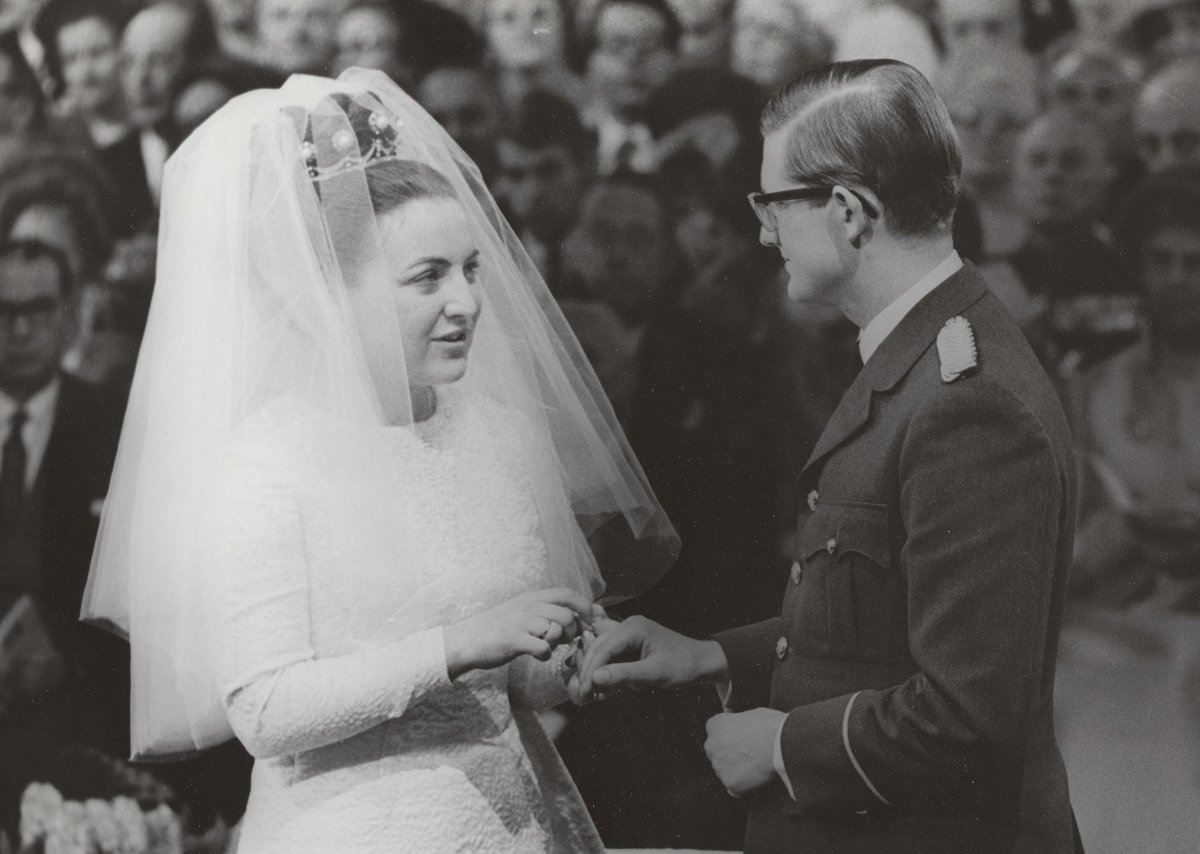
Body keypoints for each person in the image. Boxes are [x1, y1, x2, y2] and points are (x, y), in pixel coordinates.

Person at [80, 68, 677, 853]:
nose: (465, 302)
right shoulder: (269, 463)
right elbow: (263, 709)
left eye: (470, 269)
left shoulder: (494, 430)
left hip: (515, 820)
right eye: (427, 277)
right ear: (328, 293)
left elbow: (506, 675)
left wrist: (558, 665)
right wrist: (458, 643)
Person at [576, 59, 1080, 853]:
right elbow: (875, 621)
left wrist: (779, 747)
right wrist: (711, 655)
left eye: (773, 203)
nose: (761, 231)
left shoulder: (966, 403)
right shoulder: (922, 358)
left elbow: (971, 715)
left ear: (848, 210)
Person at [1056, 165, 1200, 852]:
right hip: (1117, 661)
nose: (1178, 278)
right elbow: (1066, 547)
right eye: (1162, 260)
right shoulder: (1090, 386)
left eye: (1196, 263)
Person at [0, 238, 126, 844]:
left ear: (69, 315)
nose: (19, 328)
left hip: (66, 729)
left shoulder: (107, 427)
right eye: (3, 311)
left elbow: (132, 603)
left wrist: (63, 660)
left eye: (38, 309)